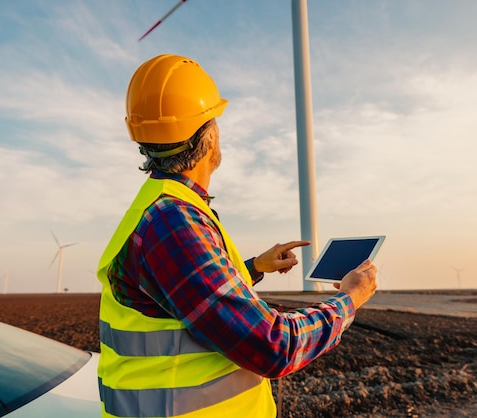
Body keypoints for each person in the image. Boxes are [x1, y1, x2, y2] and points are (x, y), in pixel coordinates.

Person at [96, 54, 378, 418]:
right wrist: (351, 298)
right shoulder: (173, 223)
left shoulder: (161, 205)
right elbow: (274, 346)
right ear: (210, 137)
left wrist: (254, 267)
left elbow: (186, 294)